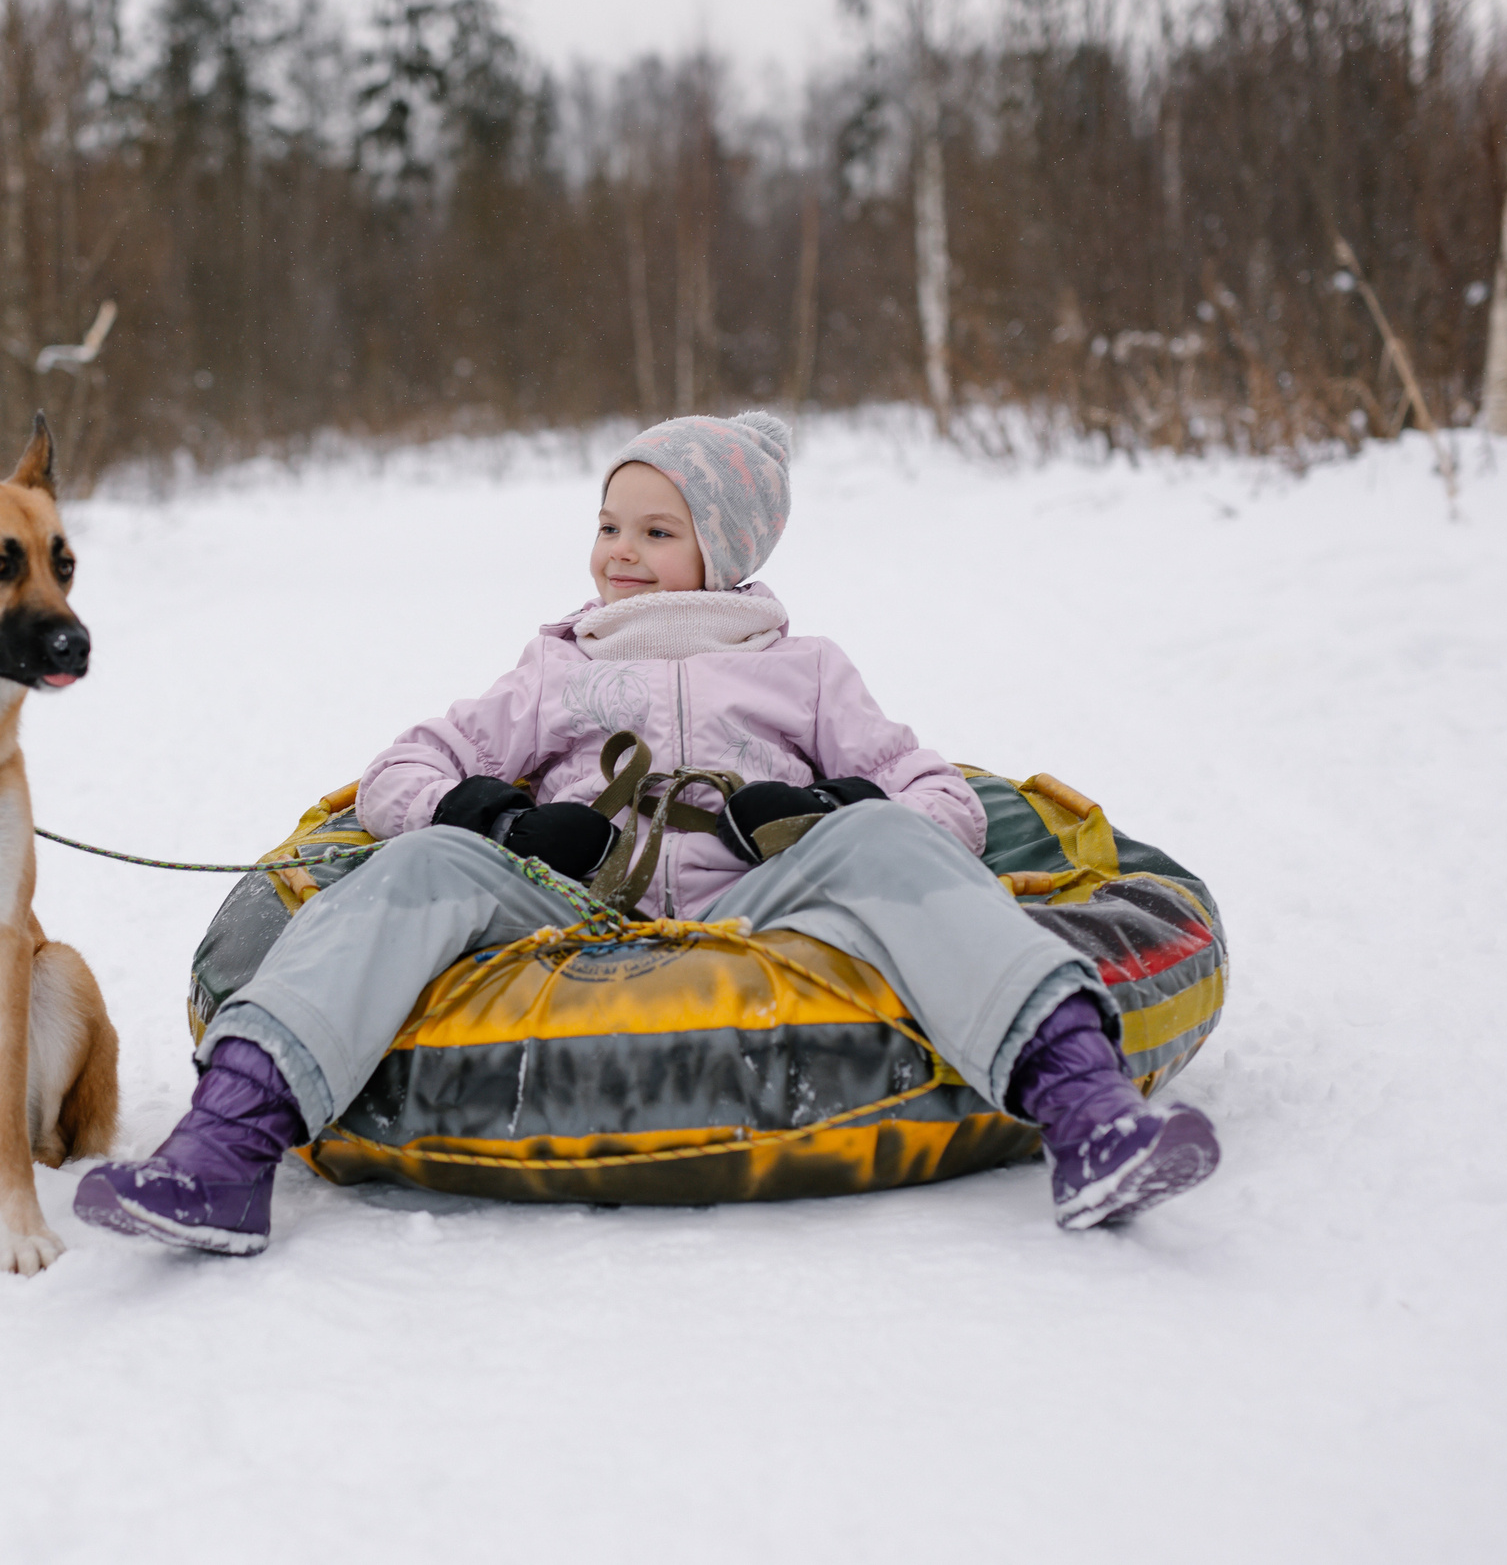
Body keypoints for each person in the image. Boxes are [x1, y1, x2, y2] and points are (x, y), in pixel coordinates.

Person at [75, 412, 1219, 1255]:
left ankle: (1088, 1115)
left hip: (760, 901)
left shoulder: (802, 671)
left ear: (721, 551)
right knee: (422, 864)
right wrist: (496, 815)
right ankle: (225, 1149)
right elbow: (400, 773)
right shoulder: (561, 664)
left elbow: (942, 803)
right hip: (575, 906)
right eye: (608, 523)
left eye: (656, 530)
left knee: (890, 854)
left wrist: (832, 817)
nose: (619, 551)